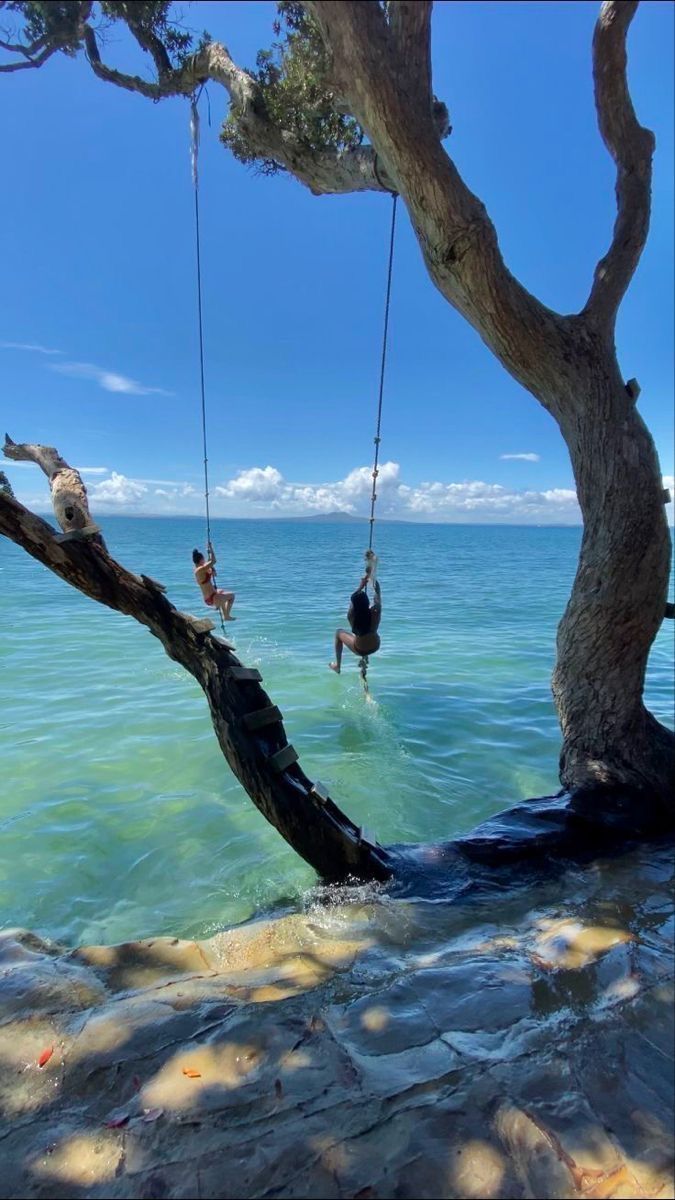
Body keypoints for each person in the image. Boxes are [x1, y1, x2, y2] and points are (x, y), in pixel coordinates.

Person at [329, 575, 381, 674]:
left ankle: (337, 666)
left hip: (360, 649)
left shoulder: (351, 617)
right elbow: (378, 595)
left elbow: (354, 601)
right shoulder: (376, 612)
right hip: (375, 646)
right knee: (369, 631)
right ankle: (365, 658)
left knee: (338, 633)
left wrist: (360, 586)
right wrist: (374, 583)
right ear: (367, 602)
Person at [192, 543, 235, 621]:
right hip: (211, 599)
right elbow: (214, 560)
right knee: (232, 596)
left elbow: (214, 574)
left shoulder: (202, 569)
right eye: (203, 559)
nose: (204, 561)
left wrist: (211, 567)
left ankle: (219, 605)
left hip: (212, 596)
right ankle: (226, 616)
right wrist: (211, 548)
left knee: (221, 591)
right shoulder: (199, 570)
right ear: (201, 560)